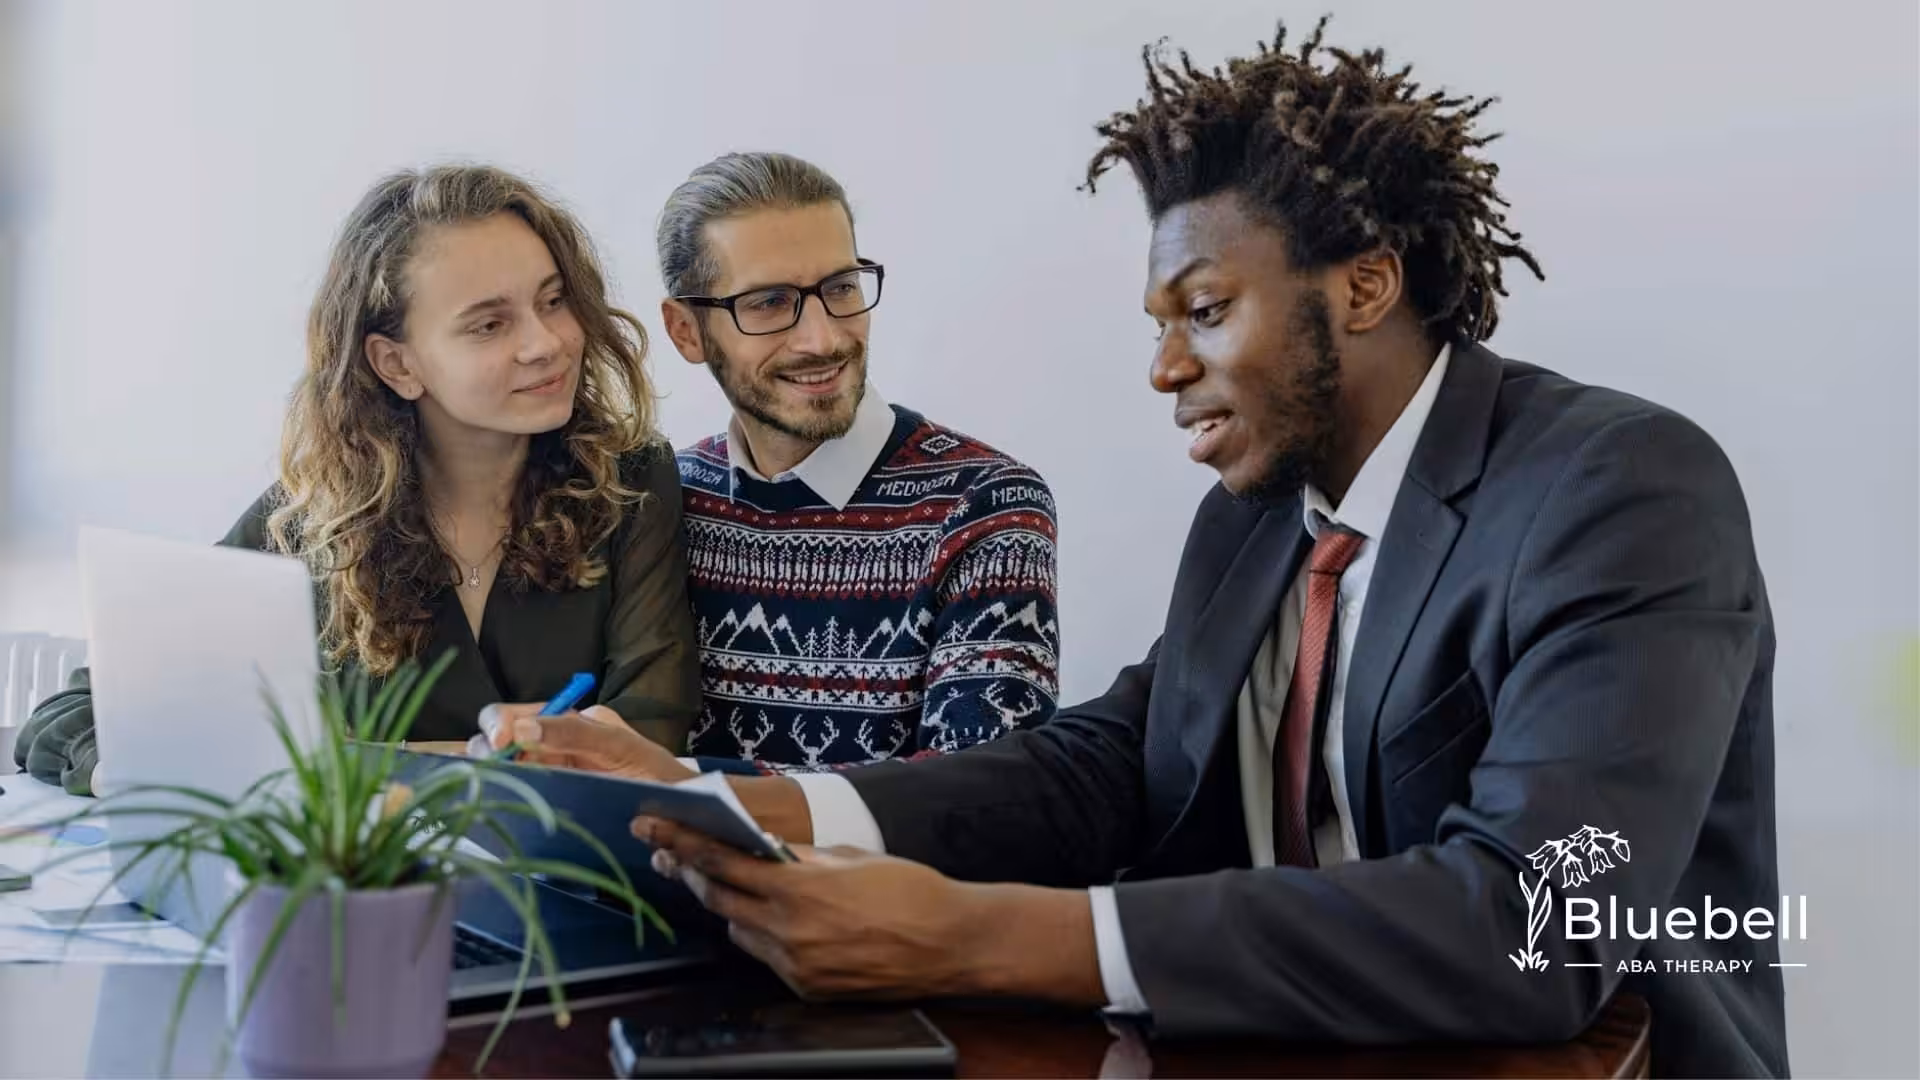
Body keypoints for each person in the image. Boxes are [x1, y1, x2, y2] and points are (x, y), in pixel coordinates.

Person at [484, 21, 1785, 1078]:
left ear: (1367, 285)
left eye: (1206, 313)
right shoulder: (1256, 519)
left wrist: (986, 937)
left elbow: (1529, 927)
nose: (1164, 368)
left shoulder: (1620, 487)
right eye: (1161, 320)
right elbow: (1112, 764)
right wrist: (747, 812)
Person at [15, 163, 701, 795]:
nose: (546, 342)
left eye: (553, 301)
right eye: (490, 324)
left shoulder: (633, 483)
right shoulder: (312, 518)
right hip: (362, 900)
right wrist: (138, 778)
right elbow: (75, 715)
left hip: (568, 900)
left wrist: (352, 766)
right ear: (396, 364)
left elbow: (646, 736)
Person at [659, 151, 1061, 771]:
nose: (823, 338)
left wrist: (681, 786)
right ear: (686, 331)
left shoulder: (986, 506)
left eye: (841, 288)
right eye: (769, 302)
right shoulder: (662, 500)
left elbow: (975, 802)